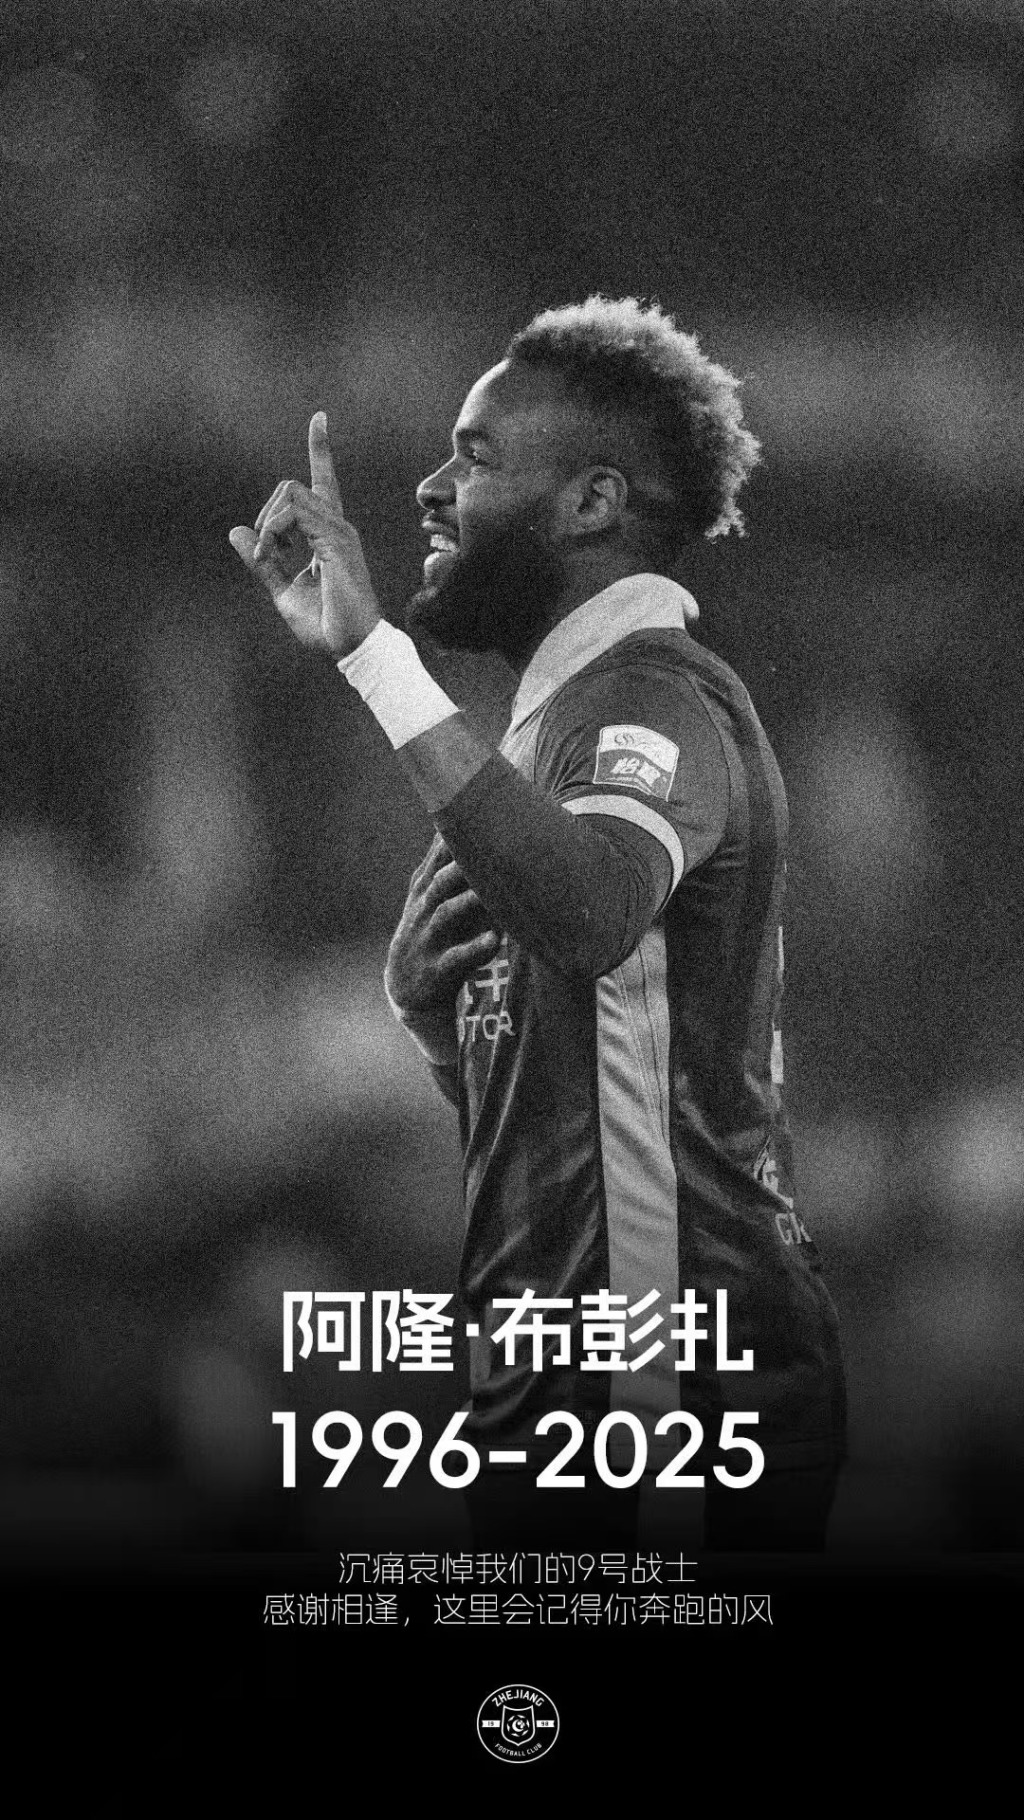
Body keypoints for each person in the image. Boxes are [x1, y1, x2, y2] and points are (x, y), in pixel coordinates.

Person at [229, 295, 846, 1552]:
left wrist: (372, 654)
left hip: (665, 1383)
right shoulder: (549, 731)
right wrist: (439, 1021)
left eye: (475, 455)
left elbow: (590, 909)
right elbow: (598, 1103)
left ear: (591, 502)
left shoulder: (652, 696)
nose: (429, 487)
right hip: (572, 1382)